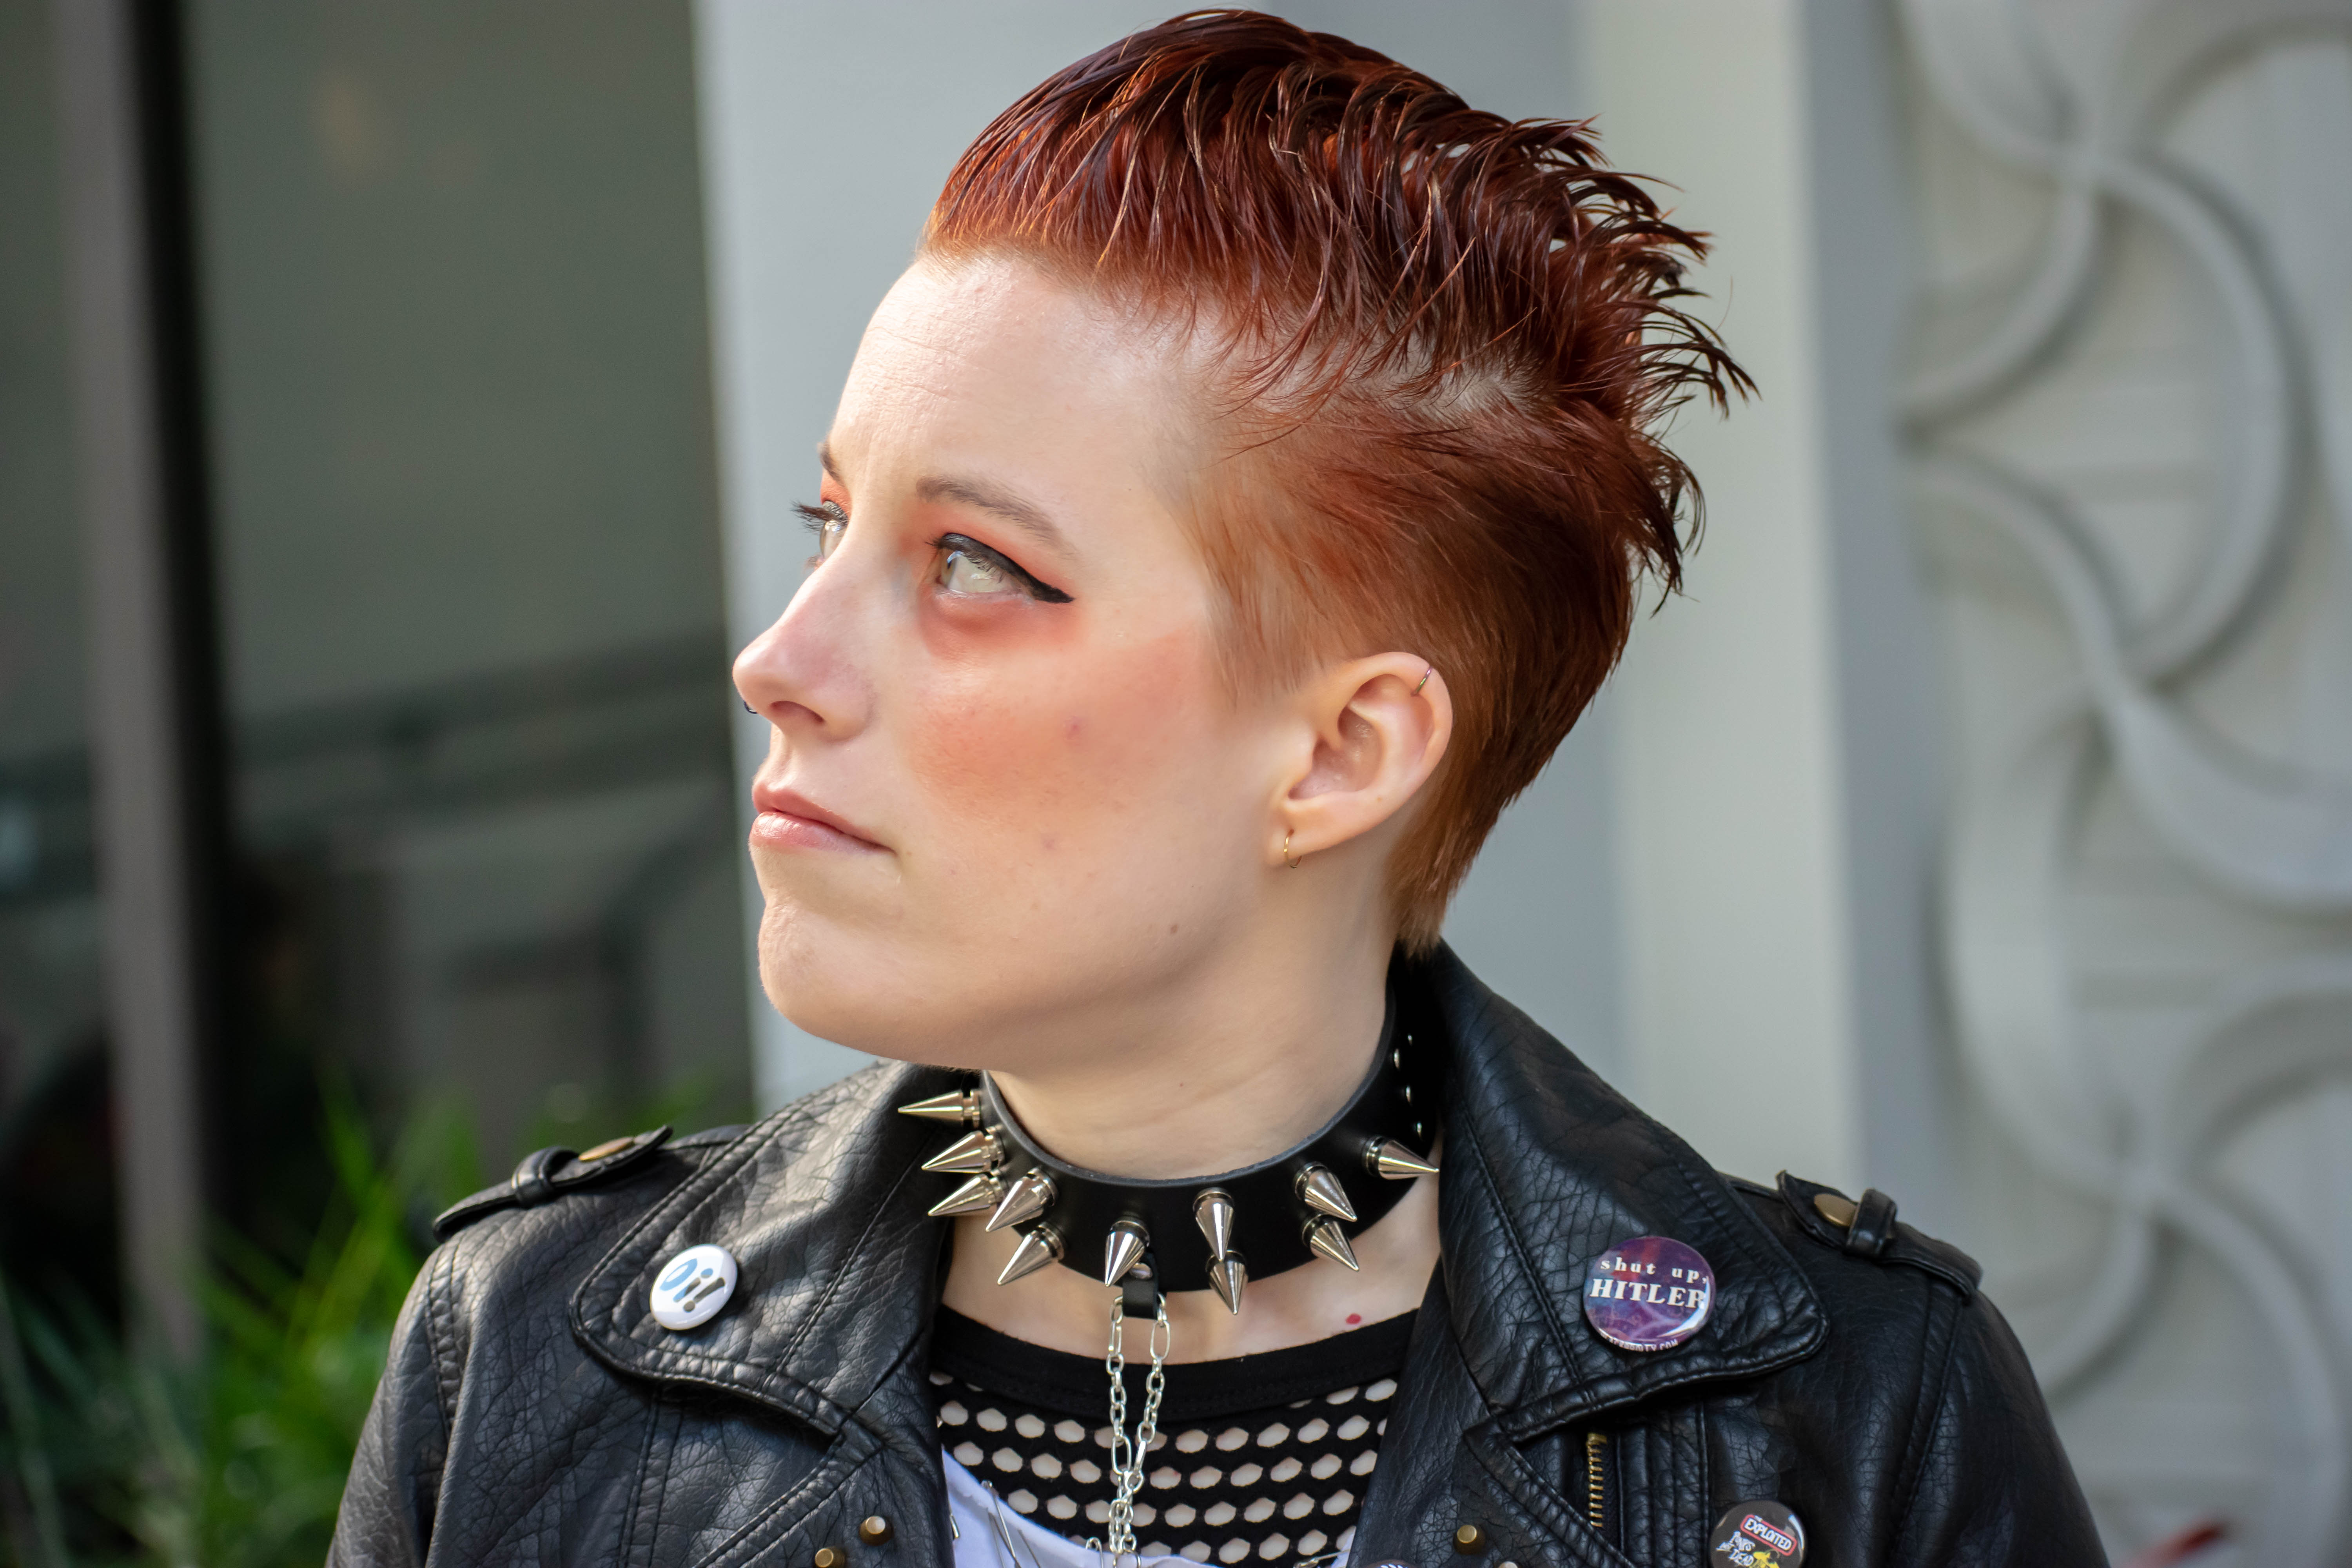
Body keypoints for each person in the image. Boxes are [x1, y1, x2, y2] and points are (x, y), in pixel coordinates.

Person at [331, 13, 2105, 1567]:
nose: (778, 659)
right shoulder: (531, 1363)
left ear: (1342, 752)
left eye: (973, 565)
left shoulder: (1854, 1422)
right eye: (833, 521)